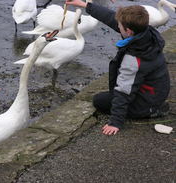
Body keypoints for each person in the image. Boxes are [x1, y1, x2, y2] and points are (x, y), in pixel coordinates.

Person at [65, 0, 170, 135]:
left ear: (129, 31)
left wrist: (115, 122)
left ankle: (151, 111)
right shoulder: (147, 34)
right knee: (113, 94)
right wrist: (86, 6)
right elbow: (112, 18)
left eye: (119, 27)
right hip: (157, 91)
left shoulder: (133, 59)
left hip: (146, 101)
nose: (117, 27)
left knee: (99, 101)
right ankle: (155, 106)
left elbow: (124, 91)